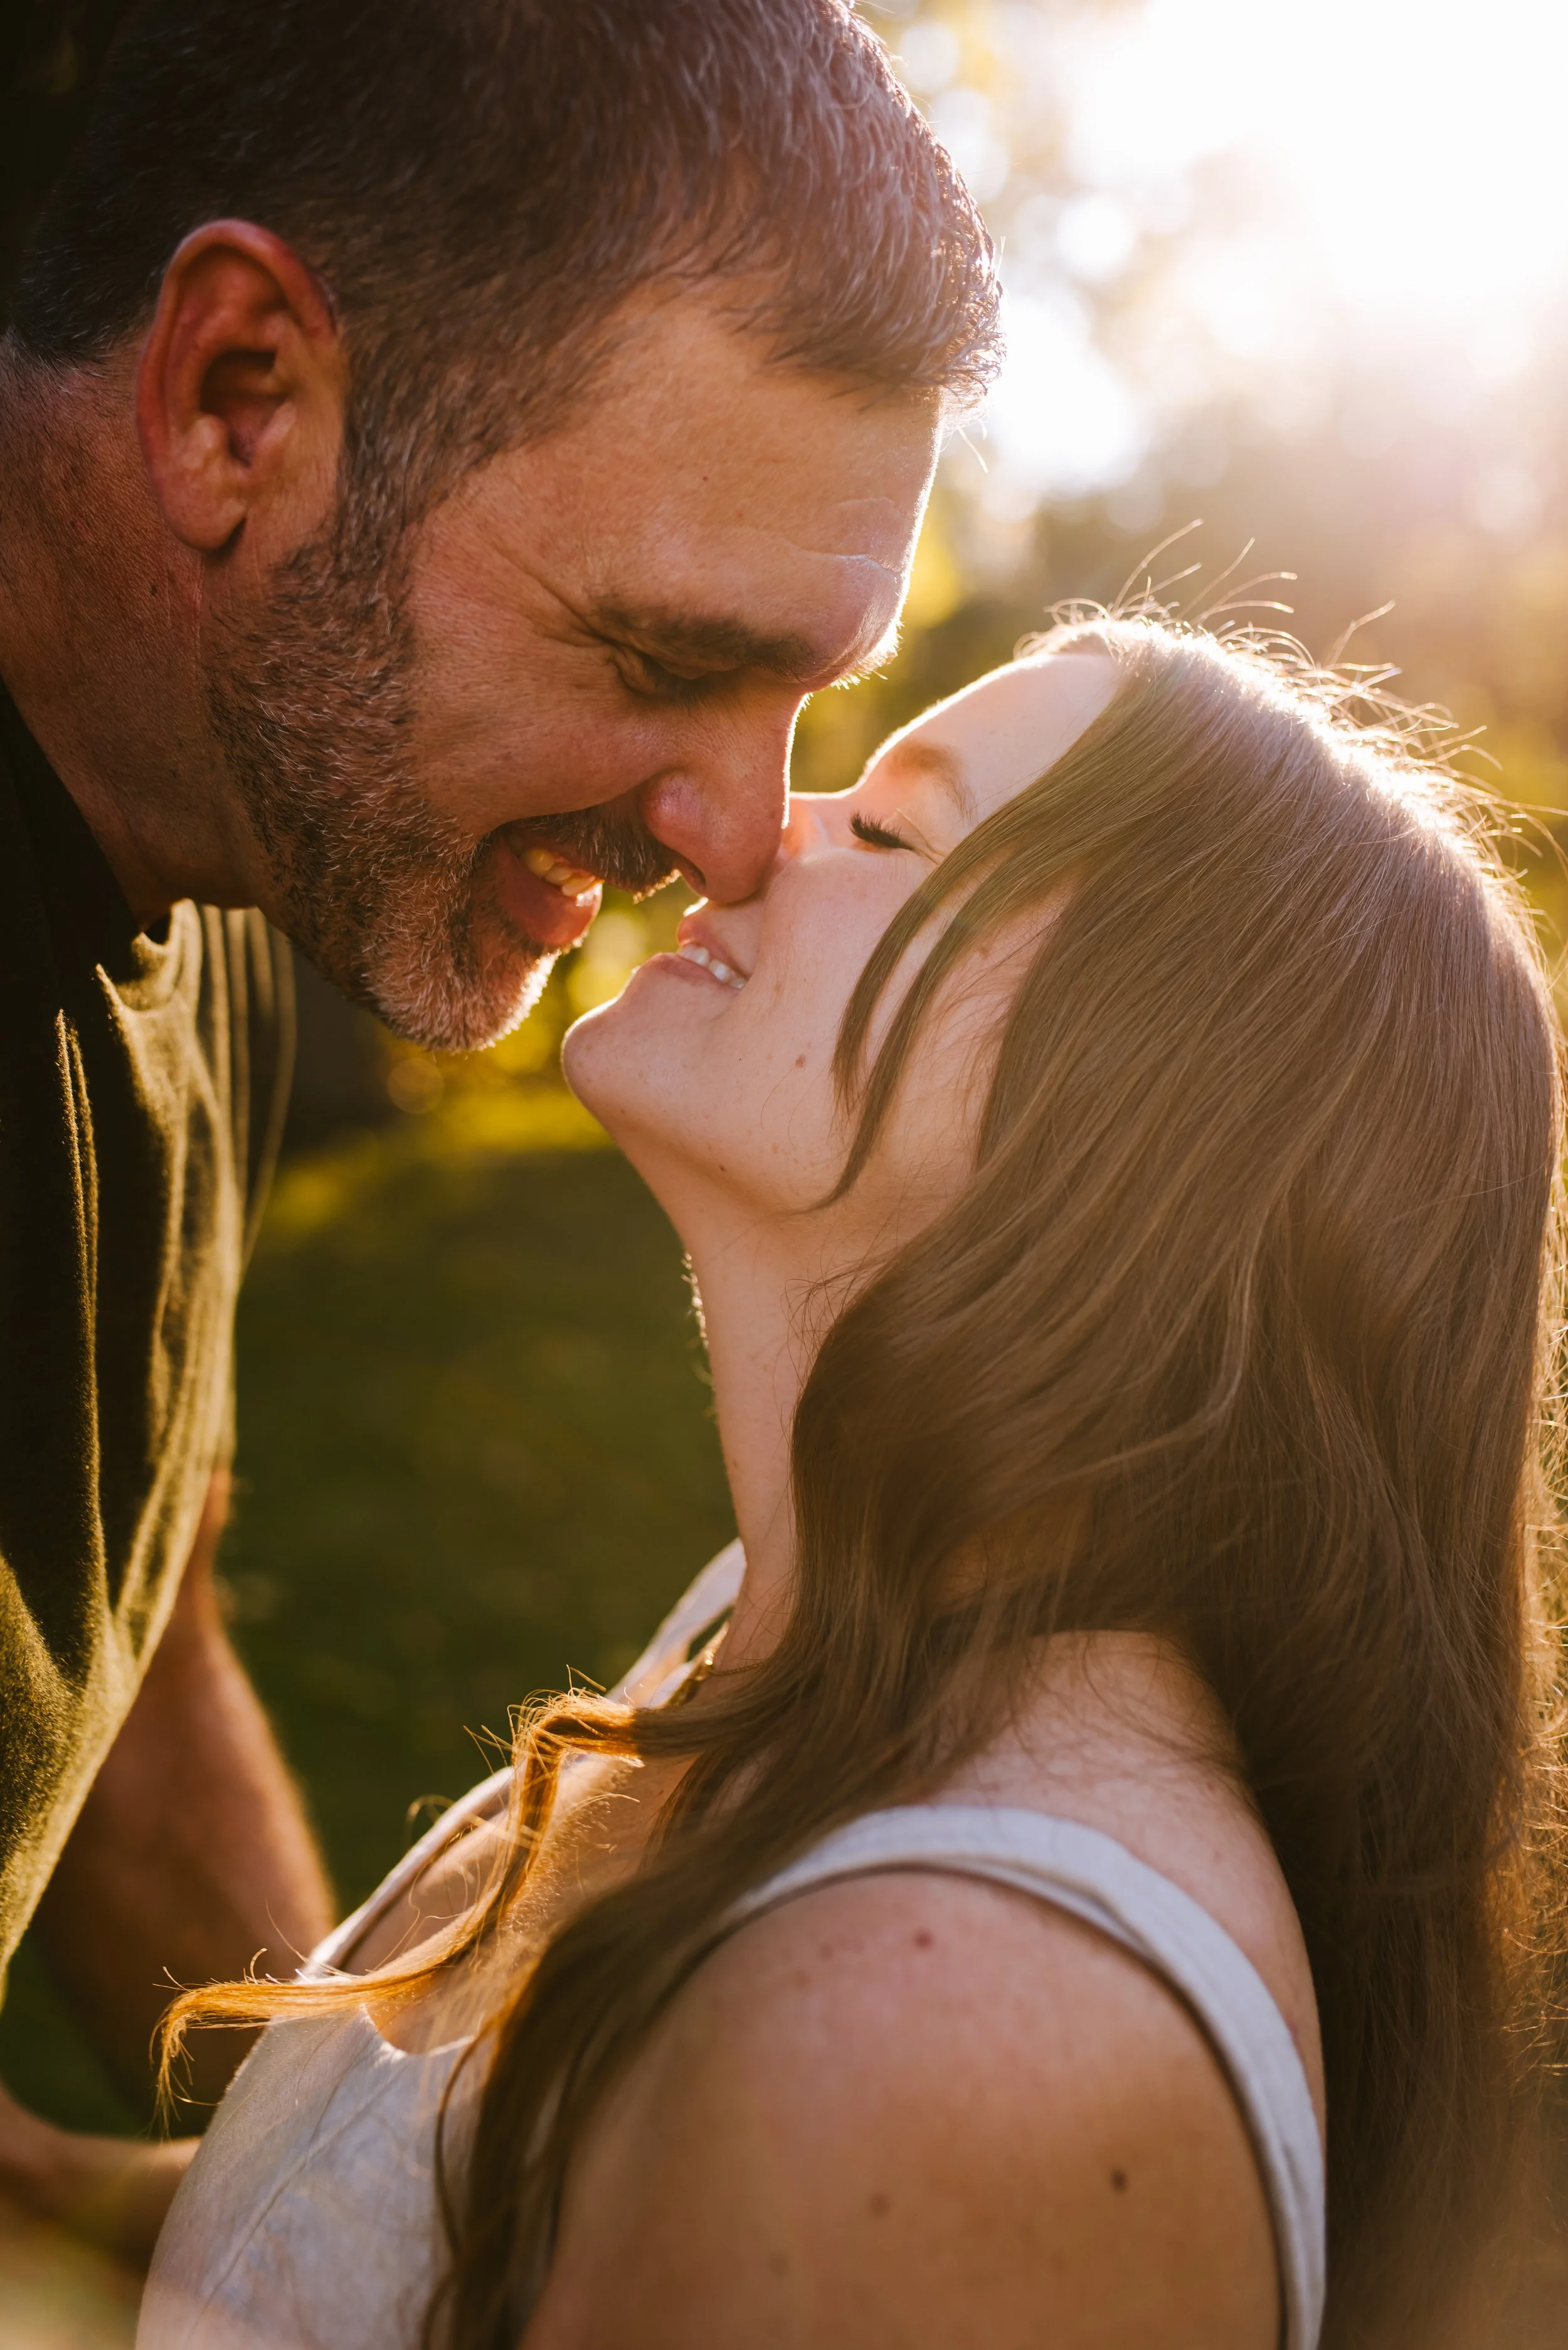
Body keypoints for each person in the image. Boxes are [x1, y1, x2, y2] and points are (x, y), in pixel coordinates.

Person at [129, 615, 1562, 2348]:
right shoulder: (794, 1624)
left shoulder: (938, 2039)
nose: (742, 832)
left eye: (887, 830)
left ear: (1127, 1113)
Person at [0, 0, 998, 2246]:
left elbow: (120, 1607)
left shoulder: (231, 828)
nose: (741, 835)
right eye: (663, 661)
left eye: (800, 702)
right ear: (236, 403)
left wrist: (345, 2201)